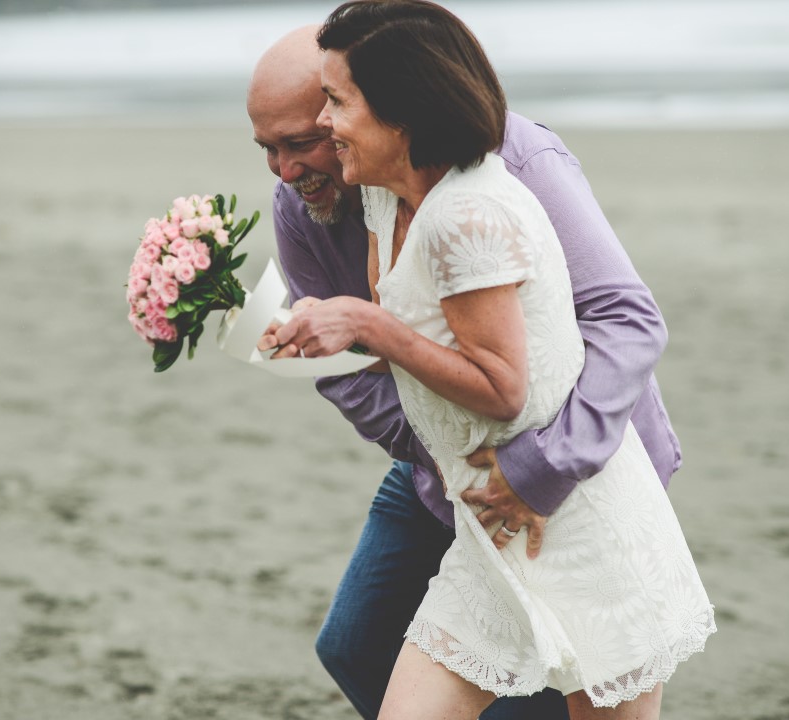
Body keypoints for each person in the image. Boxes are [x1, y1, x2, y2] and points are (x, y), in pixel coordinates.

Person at [263, 2, 715, 719]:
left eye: (327, 111)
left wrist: (533, 471)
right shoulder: (367, 196)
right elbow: (376, 359)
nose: (290, 164)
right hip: (453, 475)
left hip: (580, 479)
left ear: (396, 110)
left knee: (561, 690)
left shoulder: (490, 189)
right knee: (358, 645)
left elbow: (618, 324)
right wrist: (313, 333)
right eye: (269, 147)